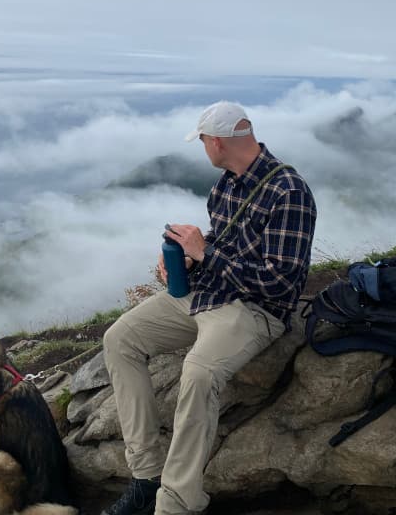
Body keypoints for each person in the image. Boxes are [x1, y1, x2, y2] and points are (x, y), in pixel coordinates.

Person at [102, 101, 316, 515]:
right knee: (120, 339)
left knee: (199, 373)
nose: (203, 149)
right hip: (208, 293)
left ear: (216, 142)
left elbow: (278, 282)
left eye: (202, 141)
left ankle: (176, 503)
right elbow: (225, 243)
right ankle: (146, 476)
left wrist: (206, 253)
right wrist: (188, 258)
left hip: (255, 310)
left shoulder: (289, 192)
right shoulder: (226, 185)